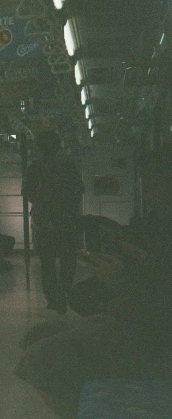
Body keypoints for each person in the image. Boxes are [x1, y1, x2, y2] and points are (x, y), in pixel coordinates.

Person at [14, 149, 172, 418]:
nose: (149, 190)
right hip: (138, 314)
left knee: (38, 358)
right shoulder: (158, 218)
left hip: (152, 330)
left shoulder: (38, 174)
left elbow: (158, 292)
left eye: (155, 182)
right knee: (38, 334)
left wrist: (121, 279)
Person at [22, 129, 83, 313]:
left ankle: (52, 296)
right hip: (66, 220)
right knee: (68, 260)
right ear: (58, 146)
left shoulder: (34, 168)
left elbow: (28, 194)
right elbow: (78, 191)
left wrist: (43, 206)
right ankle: (63, 292)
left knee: (47, 263)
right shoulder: (69, 166)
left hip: (44, 222)